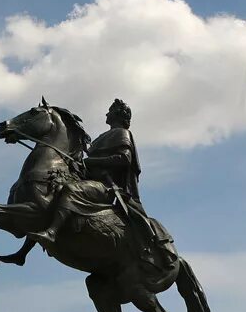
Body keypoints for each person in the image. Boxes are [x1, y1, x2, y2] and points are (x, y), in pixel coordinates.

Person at [26, 99, 173, 265]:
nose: (106, 114)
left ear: (117, 114)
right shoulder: (103, 136)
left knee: (70, 191)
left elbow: (124, 159)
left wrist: (92, 162)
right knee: (52, 194)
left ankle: (52, 232)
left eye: (110, 111)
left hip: (107, 186)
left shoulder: (121, 133)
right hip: (91, 181)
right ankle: (23, 252)